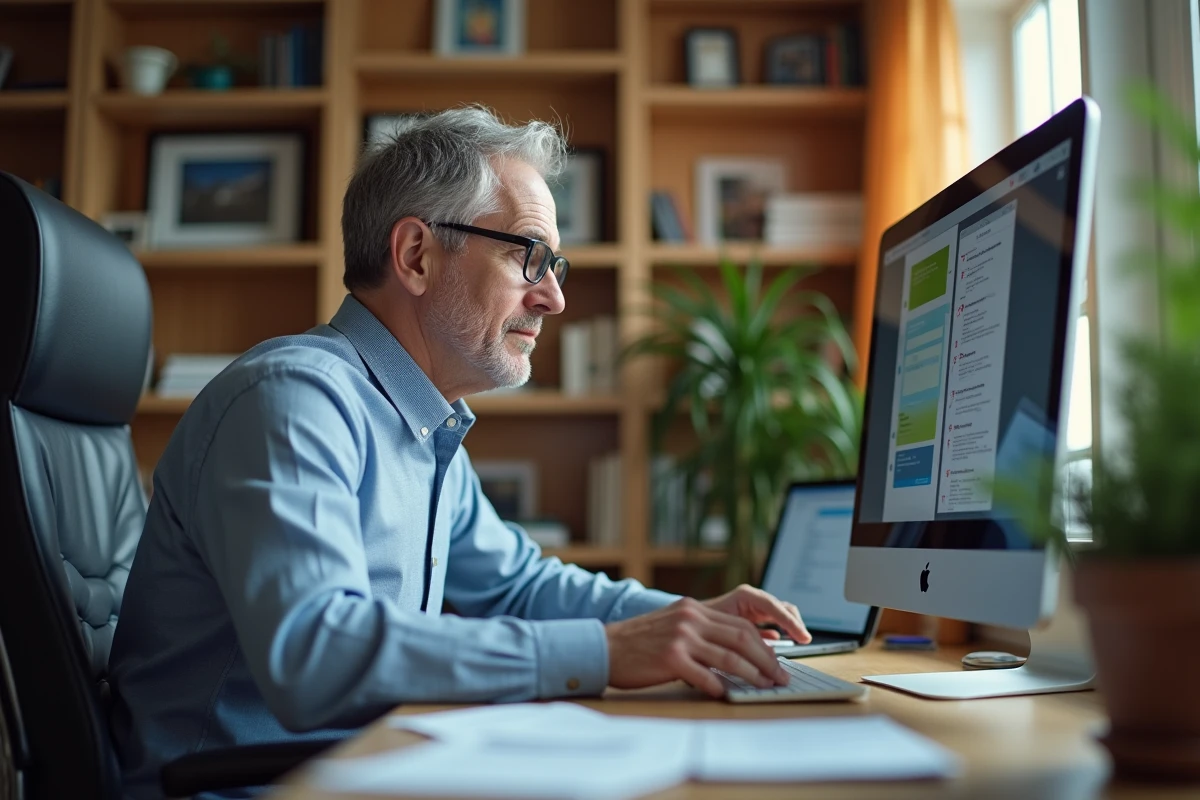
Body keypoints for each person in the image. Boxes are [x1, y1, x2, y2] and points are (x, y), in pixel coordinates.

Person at [108, 106, 812, 799]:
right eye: (528, 255)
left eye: (555, 265)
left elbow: (519, 588)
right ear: (416, 255)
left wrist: (693, 622)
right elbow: (316, 652)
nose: (555, 298)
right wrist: (605, 653)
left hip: (356, 772)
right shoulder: (295, 400)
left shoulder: (426, 424)